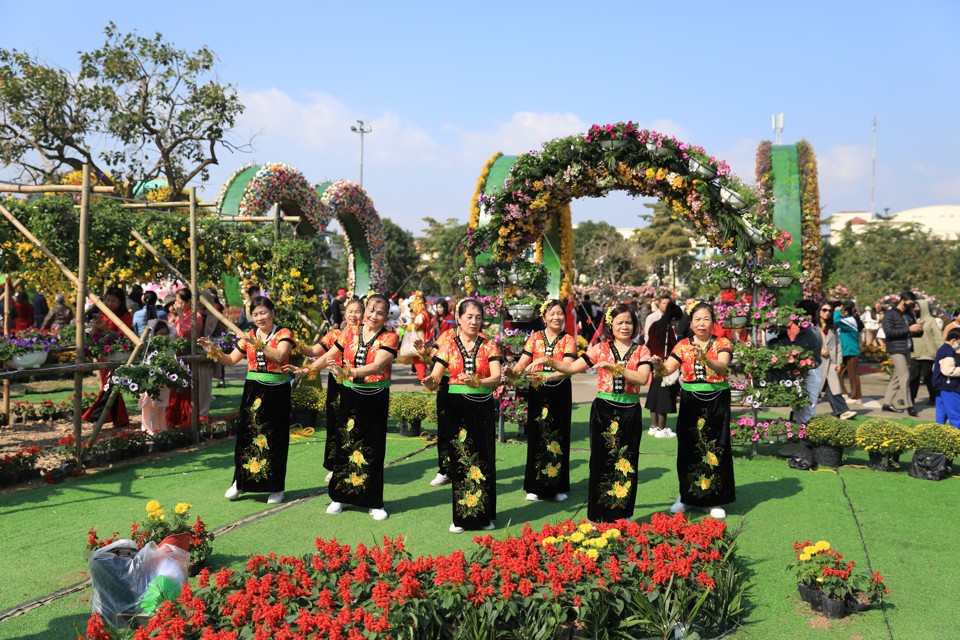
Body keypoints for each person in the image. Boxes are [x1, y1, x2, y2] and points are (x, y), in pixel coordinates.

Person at [535, 303, 652, 523]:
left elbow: (642, 378)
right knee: (600, 461)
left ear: (635, 325)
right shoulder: (599, 348)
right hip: (603, 411)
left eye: (628, 322)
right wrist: (549, 361)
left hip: (630, 411)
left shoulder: (641, 350)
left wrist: (615, 368)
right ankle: (598, 515)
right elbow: (571, 368)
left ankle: (623, 514)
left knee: (627, 460)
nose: (624, 326)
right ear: (610, 325)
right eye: (619, 323)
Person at [301, 294, 398, 521]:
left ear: (385, 317)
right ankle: (340, 497)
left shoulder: (390, 337)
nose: (374, 316)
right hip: (350, 394)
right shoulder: (349, 332)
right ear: (365, 311)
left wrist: (350, 372)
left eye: (380, 312)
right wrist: (308, 370)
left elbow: (377, 366)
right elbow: (329, 356)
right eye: (371, 310)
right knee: (346, 442)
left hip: (375, 396)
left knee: (372, 447)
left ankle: (374, 502)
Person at [200, 296, 294, 504]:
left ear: (273, 313)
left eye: (263, 313)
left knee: (275, 438)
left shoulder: (284, 333)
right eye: (255, 314)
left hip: (278, 390)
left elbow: (279, 356)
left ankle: (276, 487)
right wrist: (213, 351)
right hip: (253, 389)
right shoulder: (248, 336)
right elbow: (231, 360)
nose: (260, 318)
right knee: (247, 436)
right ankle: (240, 482)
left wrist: (256, 342)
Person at [423, 299, 502, 533]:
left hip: (482, 406)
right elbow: (436, 377)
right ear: (458, 318)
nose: (474, 321)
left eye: (478, 317)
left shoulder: (489, 346)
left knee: (484, 458)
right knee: (461, 459)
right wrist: (430, 382)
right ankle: (462, 517)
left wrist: (477, 381)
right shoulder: (448, 345)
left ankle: (485, 516)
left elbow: (496, 378)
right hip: (457, 408)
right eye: (469, 317)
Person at [657, 302, 734, 520]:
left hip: (717, 400)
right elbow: (667, 369)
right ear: (690, 323)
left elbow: (722, 366)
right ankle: (686, 497)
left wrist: (705, 358)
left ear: (713, 322)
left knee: (715, 447)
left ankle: (714, 499)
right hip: (691, 401)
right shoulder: (682, 345)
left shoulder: (722, 343)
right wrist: (655, 364)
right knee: (689, 447)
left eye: (706, 319)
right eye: (697, 319)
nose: (702, 323)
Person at [509, 299, 577, 502]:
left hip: (560, 392)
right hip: (538, 392)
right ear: (543, 317)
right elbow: (523, 362)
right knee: (537, 435)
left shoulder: (568, 340)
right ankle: (535, 486)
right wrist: (512, 372)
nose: (556, 317)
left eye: (560, 313)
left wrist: (547, 375)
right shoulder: (535, 338)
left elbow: (568, 368)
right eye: (552, 313)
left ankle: (557, 487)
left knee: (559, 435)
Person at [301, 297, 364, 482]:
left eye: (357, 311)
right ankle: (335, 464)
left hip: (357, 383)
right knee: (335, 423)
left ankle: (356, 461)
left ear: (364, 314)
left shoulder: (367, 335)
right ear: (344, 313)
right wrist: (294, 344)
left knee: (355, 424)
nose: (353, 315)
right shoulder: (335, 334)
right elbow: (314, 352)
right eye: (349, 311)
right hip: (336, 383)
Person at [82, 286, 133, 427]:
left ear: (120, 302)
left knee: (109, 386)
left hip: (118, 355)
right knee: (110, 386)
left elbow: (126, 337)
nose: (110, 303)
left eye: (113, 300)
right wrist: (95, 327)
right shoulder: (102, 314)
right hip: (103, 355)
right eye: (108, 300)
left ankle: (96, 415)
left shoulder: (125, 316)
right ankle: (120, 419)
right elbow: (93, 336)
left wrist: (106, 329)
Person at [768, 300, 823, 426]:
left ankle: (802, 431)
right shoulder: (805, 329)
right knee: (802, 405)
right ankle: (800, 431)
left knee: (806, 404)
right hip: (804, 371)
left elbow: (798, 349)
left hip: (809, 371)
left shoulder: (809, 330)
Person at [166, 289, 204, 428]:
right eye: (177, 302)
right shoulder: (176, 316)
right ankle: (174, 418)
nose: (178, 305)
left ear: (188, 302)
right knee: (175, 388)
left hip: (187, 356)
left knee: (187, 389)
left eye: (180, 302)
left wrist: (180, 314)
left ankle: (187, 419)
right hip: (176, 355)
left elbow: (185, 333)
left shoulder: (196, 316)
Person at [881, 291, 922, 417]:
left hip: (907, 348)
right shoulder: (890, 314)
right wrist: (908, 329)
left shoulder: (909, 314)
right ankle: (909, 405)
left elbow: (912, 332)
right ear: (902, 301)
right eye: (910, 303)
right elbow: (888, 332)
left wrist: (918, 330)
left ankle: (887, 403)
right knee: (905, 376)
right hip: (896, 348)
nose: (912, 306)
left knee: (897, 376)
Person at [646, 301, 683, 438]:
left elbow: (649, 343)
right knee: (664, 397)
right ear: (673, 318)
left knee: (654, 396)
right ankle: (661, 429)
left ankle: (653, 426)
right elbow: (674, 347)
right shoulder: (668, 330)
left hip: (654, 364)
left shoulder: (654, 326)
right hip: (665, 365)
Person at [819, 304, 857, 421]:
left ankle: (842, 411)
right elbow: (807, 343)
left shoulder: (833, 327)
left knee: (834, 388)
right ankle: (799, 414)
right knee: (813, 392)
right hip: (816, 364)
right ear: (819, 311)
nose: (827, 313)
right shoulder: (812, 327)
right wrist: (819, 349)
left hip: (831, 363)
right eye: (824, 310)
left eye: (830, 311)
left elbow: (838, 345)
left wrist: (839, 362)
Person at [139, 321, 172, 435]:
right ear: (155, 333)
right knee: (149, 405)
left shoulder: (169, 348)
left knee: (161, 406)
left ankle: (161, 428)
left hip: (163, 381)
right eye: (160, 334)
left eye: (165, 334)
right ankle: (149, 429)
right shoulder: (149, 346)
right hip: (150, 381)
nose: (163, 337)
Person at [910, 298, 940, 407]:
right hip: (914, 353)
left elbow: (937, 337)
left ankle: (933, 397)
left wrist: (941, 351)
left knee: (928, 377)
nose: (916, 309)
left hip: (927, 353)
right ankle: (911, 399)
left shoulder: (930, 320)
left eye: (918, 306)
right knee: (913, 377)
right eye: (915, 306)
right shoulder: (912, 319)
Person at [834, 301, 863, 404]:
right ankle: (844, 393)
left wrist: (836, 311)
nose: (841, 312)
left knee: (852, 374)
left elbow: (836, 320)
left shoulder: (850, 320)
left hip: (851, 351)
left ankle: (856, 397)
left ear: (846, 312)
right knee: (838, 373)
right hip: (845, 351)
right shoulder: (846, 320)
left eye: (842, 311)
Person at [932, 329, 960, 427]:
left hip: (942, 387)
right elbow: (947, 370)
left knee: (940, 418)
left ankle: (937, 438)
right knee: (956, 416)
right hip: (950, 387)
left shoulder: (944, 349)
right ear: (953, 340)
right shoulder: (948, 352)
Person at [408, 292, 433, 381]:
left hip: (419, 337)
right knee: (419, 358)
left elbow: (416, 325)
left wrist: (407, 326)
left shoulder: (421, 314)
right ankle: (421, 376)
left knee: (419, 358)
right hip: (420, 336)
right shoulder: (424, 313)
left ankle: (421, 377)